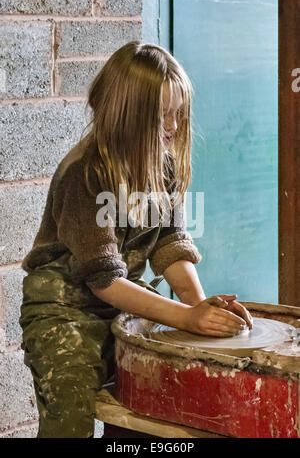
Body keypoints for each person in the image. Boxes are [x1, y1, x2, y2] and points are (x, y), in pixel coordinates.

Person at [19, 41, 253, 438]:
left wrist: (202, 308)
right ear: (126, 116)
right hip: (65, 309)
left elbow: (170, 242)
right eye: (163, 118)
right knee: (71, 420)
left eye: (178, 115)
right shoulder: (86, 173)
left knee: (152, 408)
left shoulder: (160, 164)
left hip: (125, 301)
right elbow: (104, 278)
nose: (175, 128)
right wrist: (185, 317)